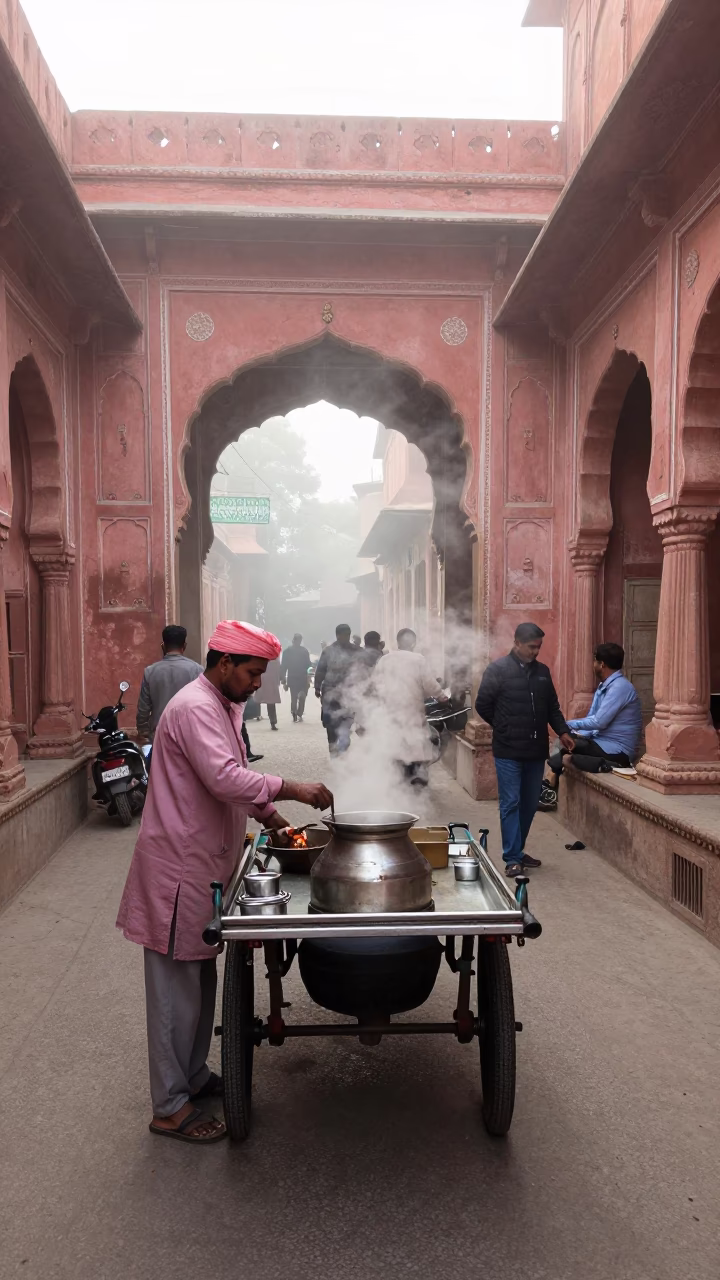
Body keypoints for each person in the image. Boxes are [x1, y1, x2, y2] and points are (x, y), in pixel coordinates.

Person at [116, 619, 333, 1145]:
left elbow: (230, 776)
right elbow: (223, 777)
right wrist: (292, 789)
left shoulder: (223, 705)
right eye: (253, 673)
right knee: (175, 993)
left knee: (199, 982)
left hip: (205, 866)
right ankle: (170, 1107)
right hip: (178, 869)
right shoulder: (195, 707)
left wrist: (269, 816)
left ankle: (192, 1077)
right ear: (225, 663)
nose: (258, 683)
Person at [475, 622, 574, 878]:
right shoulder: (497, 670)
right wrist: (503, 726)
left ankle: (518, 850)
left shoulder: (542, 672)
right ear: (517, 643)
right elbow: (482, 704)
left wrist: (563, 731)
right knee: (511, 803)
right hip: (508, 750)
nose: (535, 652)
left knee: (529, 804)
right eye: (531, 647)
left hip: (535, 750)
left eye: (538, 647)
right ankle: (512, 858)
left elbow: (552, 707)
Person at [539, 642, 643, 810]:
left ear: (602, 664)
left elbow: (599, 722)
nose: (593, 665)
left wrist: (566, 725)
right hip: (601, 743)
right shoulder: (605, 686)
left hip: (618, 750)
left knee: (565, 743)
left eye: (594, 661)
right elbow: (593, 721)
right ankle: (548, 787)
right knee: (567, 742)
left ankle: (548, 789)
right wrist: (573, 732)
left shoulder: (620, 687)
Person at [370, 627, 447, 785]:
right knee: (416, 750)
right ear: (413, 643)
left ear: (398, 642)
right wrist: (442, 696)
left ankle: (395, 785)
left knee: (395, 749)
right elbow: (429, 684)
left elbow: (375, 685)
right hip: (413, 714)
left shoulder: (385, 659)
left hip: (391, 714)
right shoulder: (418, 659)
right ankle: (416, 784)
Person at [136, 625, 203, 742]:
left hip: (159, 735)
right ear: (184, 646)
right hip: (188, 735)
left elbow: (143, 708)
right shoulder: (197, 670)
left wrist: (143, 730)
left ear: (163, 645)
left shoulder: (150, 671)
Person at [314, 622, 363, 754]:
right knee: (330, 720)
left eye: (347, 635)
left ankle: (344, 742)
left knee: (347, 719)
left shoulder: (357, 651)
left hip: (349, 692)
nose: (345, 638)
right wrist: (317, 687)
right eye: (342, 635)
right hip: (330, 691)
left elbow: (364, 670)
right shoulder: (328, 651)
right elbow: (321, 670)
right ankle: (332, 745)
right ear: (337, 635)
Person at [280, 633, 312, 722]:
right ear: (300, 641)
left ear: (293, 640)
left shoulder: (287, 651)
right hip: (303, 677)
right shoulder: (304, 651)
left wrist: (283, 681)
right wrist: (309, 678)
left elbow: (283, 667)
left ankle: (294, 712)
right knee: (302, 695)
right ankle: (300, 713)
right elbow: (309, 665)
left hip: (292, 677)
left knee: (293, 697)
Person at [256, 656, 282, 729]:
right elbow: (278, 670)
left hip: (262, 680)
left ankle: (257, 714)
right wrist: (278, 680)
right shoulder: (275, 659)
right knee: (271, 703)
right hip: (271, 681)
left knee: (258, 699)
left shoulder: (260, 657)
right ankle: (272, 722)